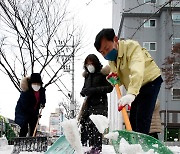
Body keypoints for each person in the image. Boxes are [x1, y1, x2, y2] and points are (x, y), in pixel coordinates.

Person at [94, 28, 163, 135]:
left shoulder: (132, 47)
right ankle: (138, 145)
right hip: (136, 87)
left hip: (150, 81)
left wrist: (131, 93)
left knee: (142, 118)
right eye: (102, 52)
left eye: (107, 48)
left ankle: (143, 149)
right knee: (132, 123)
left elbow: (137, 70)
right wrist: (113, 80)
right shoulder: (112, 60)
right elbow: (120, 80)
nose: (106, 54)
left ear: (115, 40)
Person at [80, 54, 113, 154]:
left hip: (100, 104)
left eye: (91, 63)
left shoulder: (102, 74)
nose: (90, 65)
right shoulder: (87, 76)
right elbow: (84, 89)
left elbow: (109, 88)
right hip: (88, 106)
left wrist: (93, 90)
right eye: (87, 64)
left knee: (96, 126)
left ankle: (97, 148)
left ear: (96, 63)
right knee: (86, 125)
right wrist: (83, 91)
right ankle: (88, 147)